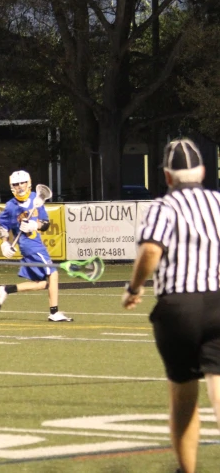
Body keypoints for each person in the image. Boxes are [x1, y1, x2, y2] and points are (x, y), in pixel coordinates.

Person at [122, 138, 220, 473]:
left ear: (167, 176)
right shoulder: (219, 202)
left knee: (183, 395)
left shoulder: (162, 207)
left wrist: (134, 288)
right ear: (203, 171)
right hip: (219, 299)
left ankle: (187, 470)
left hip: (179, 306)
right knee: (219, 385)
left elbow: (151, 251)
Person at [0, 170, 72, 322]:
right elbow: (2, 224)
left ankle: (5, 290)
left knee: (44, 283)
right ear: (12, 187)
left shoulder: (36, 200)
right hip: (29, 245)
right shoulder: (11, 206)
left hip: (37, 242)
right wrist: (5, 243)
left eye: (22, 183)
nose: (20, 187)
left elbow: (45, 224)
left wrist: (34, 224)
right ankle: (54, 313)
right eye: (16, 184)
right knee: (53, 274)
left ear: (28, 183)